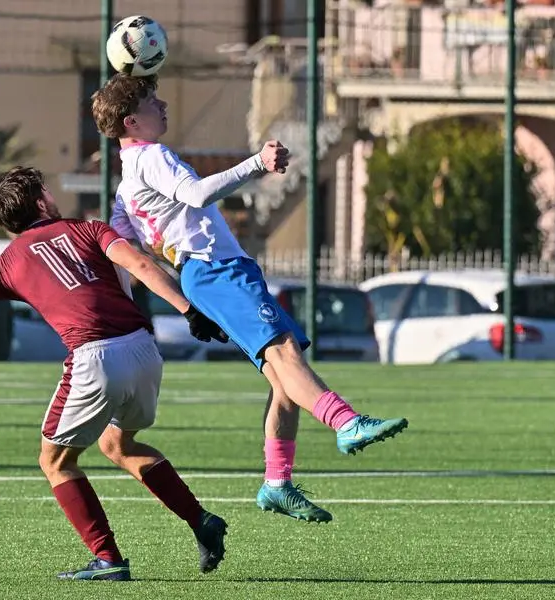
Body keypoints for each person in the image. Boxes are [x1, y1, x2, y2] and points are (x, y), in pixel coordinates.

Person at [0, 166, 229, 581]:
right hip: (143, 349)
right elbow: (141, 265)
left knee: (56, 461)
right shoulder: (88, 229)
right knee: (117, 444)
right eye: (46, 189)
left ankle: (108, 559)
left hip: (95, 357)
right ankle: (200, 520)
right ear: (40, 202)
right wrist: (190, 311)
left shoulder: (4, 263)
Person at [91, 74, 409, 523]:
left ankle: (277, 483)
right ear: (131, 121)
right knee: (283, 354)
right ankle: (346, 423)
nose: (162, 105)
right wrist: (256, 163)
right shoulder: (154, 156)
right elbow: (197, 194)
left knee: (283, 376)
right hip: (217, 270)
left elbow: (123, 255)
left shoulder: (125, 188)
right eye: (151, 102)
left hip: (207, 274)